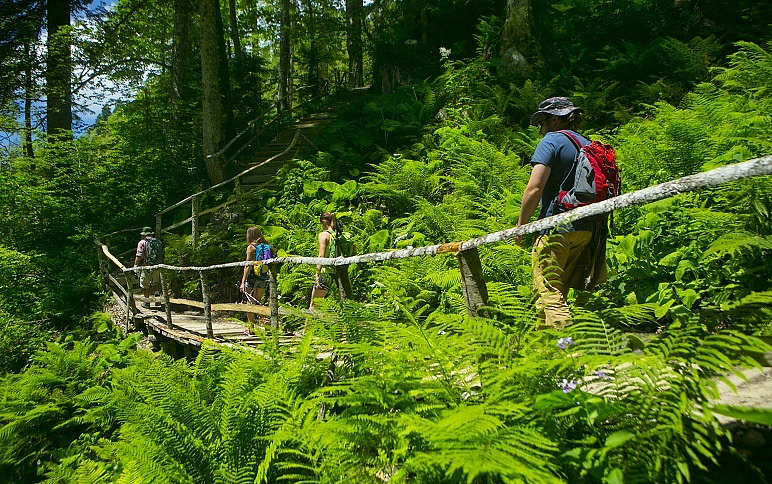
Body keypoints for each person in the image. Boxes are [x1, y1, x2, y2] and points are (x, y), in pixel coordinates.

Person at [516, 97, 598, 329]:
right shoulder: (586, 143)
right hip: (586, 229)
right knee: (555, 291)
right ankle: (544, 344)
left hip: (556, 228)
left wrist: (521, 227)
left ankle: (567, 345)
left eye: (541, 122)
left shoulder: (551, 141)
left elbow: (534, 188)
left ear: (553, 120)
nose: (540, 130)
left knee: (548, 290)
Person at [239, 227, 270, 326]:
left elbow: (247, 265)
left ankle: (251, 327)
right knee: (258, 301)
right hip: (263, 277)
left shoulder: (251, 247)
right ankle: (264, 320)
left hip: (252, 278)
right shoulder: (266, 246)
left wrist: (243, 281)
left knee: (250, 303)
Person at [309, 212, 336, 309]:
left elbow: (321, 256)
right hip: (340, 273)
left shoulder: (324, 235)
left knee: (314, 305)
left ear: (323, 222)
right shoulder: (340, 235)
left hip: (326, 273)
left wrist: (317, 274)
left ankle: (310, 320)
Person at [133, 226, 163, 309]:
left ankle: (147, 302)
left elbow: (139, 255)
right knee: (156, 283)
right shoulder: (158, 241)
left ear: (143, 234)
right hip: (157, 266)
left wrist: (135, 265)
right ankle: (157, 301)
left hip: (146, 266)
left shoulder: (142, 242)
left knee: (145, 285)